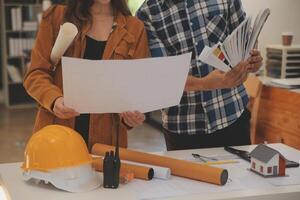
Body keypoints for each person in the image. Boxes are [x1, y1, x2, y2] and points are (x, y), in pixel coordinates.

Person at [137, 0, 263, 150]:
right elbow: (164, 76)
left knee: (239, 174)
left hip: (232, 116)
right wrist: (209, 83)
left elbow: (246, 41)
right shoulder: (147, 13)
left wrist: (252, 62)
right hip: (182, 128)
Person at [23, 0, 149, 150]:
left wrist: (130, 117)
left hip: (106, 144)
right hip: (56, 135)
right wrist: (54, 100)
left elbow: (133, 90)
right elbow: (36, 73)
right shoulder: (56, 18)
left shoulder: (134, 28)